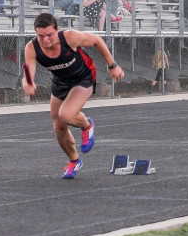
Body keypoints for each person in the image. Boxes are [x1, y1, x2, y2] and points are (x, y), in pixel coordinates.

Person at [22, 13, 124, 178]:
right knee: (59, 127)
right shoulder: (31, 48)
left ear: (57, 30)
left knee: (66, 114)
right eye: (40, 36)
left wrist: (112, 65)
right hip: (61, 82)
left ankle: (86, 125)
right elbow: (28, 66)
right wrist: (28, 81)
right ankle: (74, 161)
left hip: (83, 78)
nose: (46, 40)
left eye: (49, 35)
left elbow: (97, 40)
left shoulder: (70, 37)